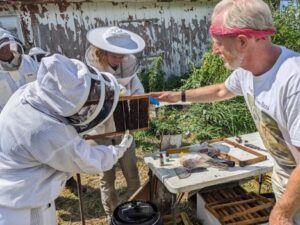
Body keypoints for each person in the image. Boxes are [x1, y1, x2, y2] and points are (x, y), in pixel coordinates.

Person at [150, 0, 300, 224]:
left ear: (241, 41)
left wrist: (282, 212)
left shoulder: (293, 80)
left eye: (219, 43)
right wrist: (178, 97)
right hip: (284, 174)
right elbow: (222, 91)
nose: (214, 50)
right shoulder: (247, 69)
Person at [0, 53, 133, 225]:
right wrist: (117, 151)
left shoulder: (27, 93)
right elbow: (88, 161)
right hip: (24, 205)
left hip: (15, 191)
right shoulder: (46, 130)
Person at [85, 26, 145, 220]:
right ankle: (112, 215)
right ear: (102, 52)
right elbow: (86, 101)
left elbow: (139, 92)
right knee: (107, 177)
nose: (119, 59)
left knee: (132, 173)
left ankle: (136, 211)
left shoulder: (128, 69)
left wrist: (138, 100)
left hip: (123, 129)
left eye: (122, 55)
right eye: (115, 55)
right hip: (100, 132)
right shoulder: (91, 72)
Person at [0, 27, 39, 112]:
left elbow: (42, 83)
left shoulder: (28, 61)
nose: (4, 51)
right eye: (1, 49)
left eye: (6, 46)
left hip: (36, 113)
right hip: (10, 119)